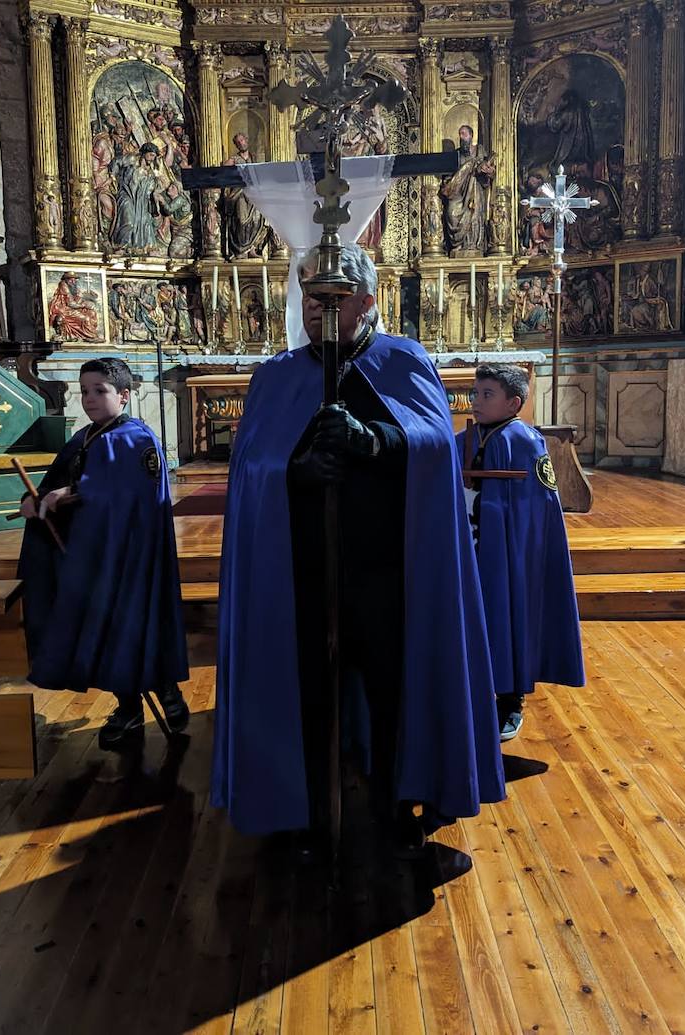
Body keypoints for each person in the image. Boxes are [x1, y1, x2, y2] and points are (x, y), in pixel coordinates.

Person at [211, 243, 505, 855]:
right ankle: (305, 805)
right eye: (310, 299)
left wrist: (374, 441)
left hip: (388, 567)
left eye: (334, 299)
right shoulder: (277, 377)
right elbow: (249, 473)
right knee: (307, 690)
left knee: (391, 687)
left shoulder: (401, 359)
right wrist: (296, 469)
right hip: (300, 570)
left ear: (367, 301)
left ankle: (398, 801)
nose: (318, 310)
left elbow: (436, 448)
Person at [17, 358, 190, 750]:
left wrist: (73, 494)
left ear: (125, 396)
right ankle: (127, 707)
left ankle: (166, 691)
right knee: (101, 628)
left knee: (131, 623)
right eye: (84, 391)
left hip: (128, 556)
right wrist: (37, 500)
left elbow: (131, 497)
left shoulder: (136, 440)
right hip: (88, 554)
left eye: (100, 391)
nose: (89, 399)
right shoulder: (84, 438)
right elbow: (57, 483)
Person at [457, 364, 585, 741]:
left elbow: (537, 506)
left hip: (507, 551)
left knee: (506, 615)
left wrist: (508, 535)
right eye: (475, 393)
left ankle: (509, 701)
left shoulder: (525, 442)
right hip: (471, 542)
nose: (476, 401)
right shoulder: (465, 438)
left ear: (514, 403)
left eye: (487, 395)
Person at [440, 125, 495, 256]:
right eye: (460, 134)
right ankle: (458, 245)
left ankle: (472, 245)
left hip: (475, 189)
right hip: (458, 192)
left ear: (471, 135)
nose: (461, 137)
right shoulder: (456, 155)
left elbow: (491, 173)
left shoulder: (480, 152)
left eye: (464, 134)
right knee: (451, 213)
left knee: (474, 215)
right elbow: (449, 176)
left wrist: (488, 172)